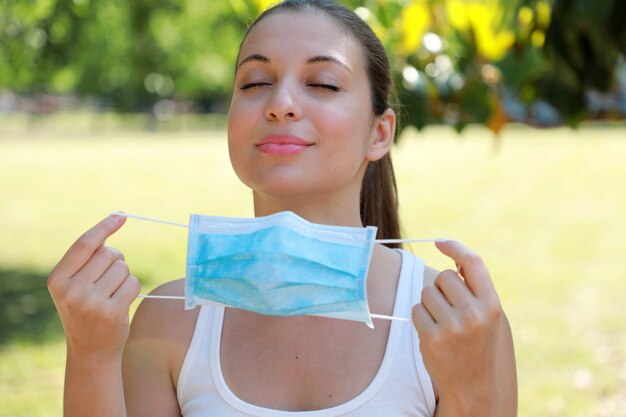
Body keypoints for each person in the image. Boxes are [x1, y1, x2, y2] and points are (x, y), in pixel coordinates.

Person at [47, 0, 517, 416]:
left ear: (380, 133)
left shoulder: (461, 325)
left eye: (323, 84)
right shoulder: (165, 323)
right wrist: (90, 356)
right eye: (255, 83)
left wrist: (471, 390)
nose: (281, 104)